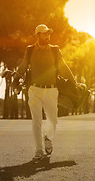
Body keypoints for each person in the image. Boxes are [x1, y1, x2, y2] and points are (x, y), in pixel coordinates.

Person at [13, 24, 76, 162]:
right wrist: (17, 77)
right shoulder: (29, 50)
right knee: (36, 121)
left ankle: (48, 137)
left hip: (51, 90)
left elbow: (63, 67)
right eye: (44, 34)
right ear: (38, 35)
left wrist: (74, 82)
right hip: (34, 89)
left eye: (48, 34)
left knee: (53, 120)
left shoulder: (55, 50)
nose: (47, 36)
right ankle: (39, 150)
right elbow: (24, 65)